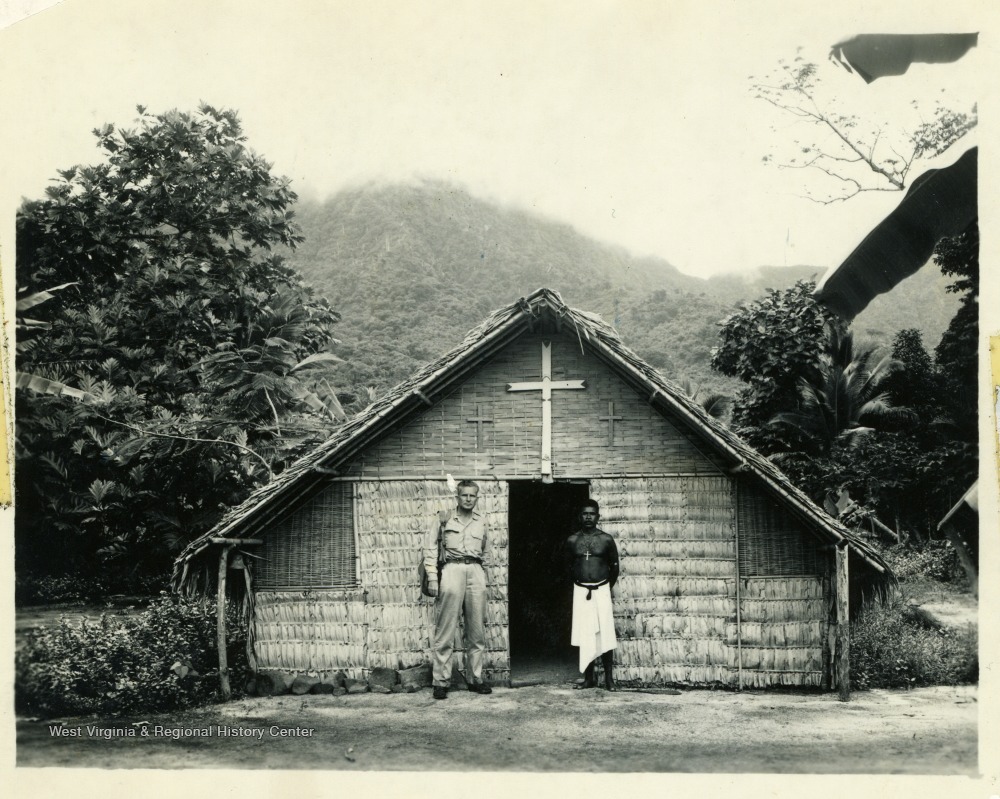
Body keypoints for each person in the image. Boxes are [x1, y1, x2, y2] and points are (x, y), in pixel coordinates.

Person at [424, 479, 492, 699]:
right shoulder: (443, 519)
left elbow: (486, 550)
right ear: (458, 497)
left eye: (473, 495)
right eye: (465, 495)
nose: (469, 499)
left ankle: (475, 679)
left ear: (477, 498)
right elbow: (430, 549)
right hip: (451, 570)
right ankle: (441, 682)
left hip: (475, 570)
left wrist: (481, 575)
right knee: (445, 629)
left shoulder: (482, 521)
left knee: (476, 630)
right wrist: (433, 578)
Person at [565, 499, 620, 691]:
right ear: (580, 516)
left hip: (601, 589)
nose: (588, 517)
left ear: (598, 516)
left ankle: (609, 680)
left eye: (592, 513)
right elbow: (567, 567)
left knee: (605, 633)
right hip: (581, 590)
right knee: (585, 633)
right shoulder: (573, 540)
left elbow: (615, 567)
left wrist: (603, 587)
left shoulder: (606, 539)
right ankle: (588, 679)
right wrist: (581, 585)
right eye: (584, 513)